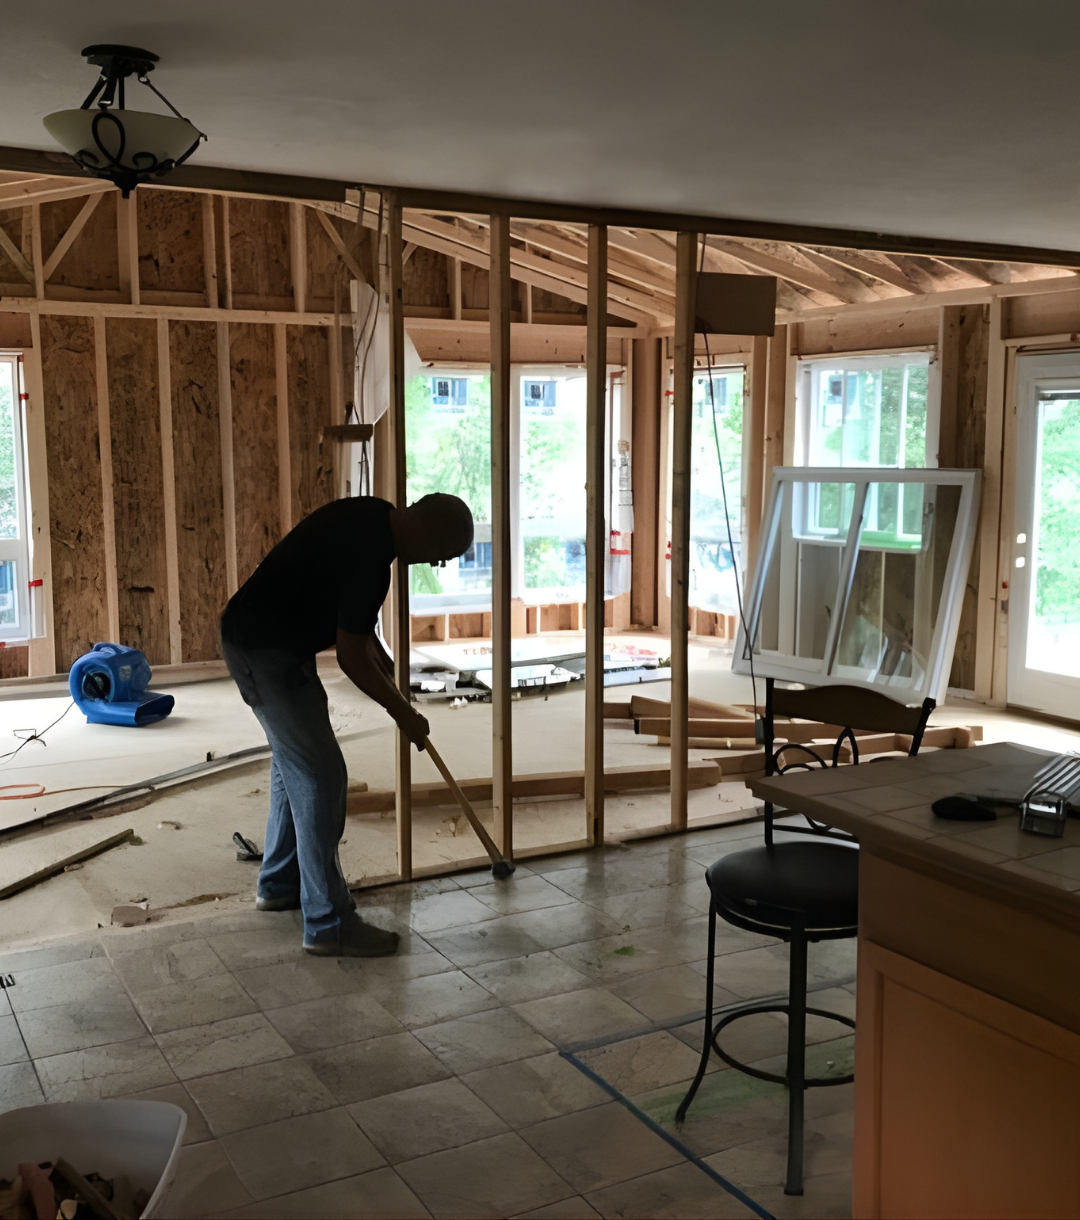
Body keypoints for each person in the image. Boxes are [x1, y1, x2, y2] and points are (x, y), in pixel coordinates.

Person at [220, 492, 474, 957]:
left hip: (269, 640)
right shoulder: (371, 558)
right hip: (264, 648)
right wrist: (404, 713)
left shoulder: (372, 518)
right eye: (442, 553)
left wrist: (393, 674)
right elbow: (351, 657)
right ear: (429, 530)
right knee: (322, 775)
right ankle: (327, 921)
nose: (436, 563)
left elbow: (360, 632)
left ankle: (280, 883)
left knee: (293, 763)